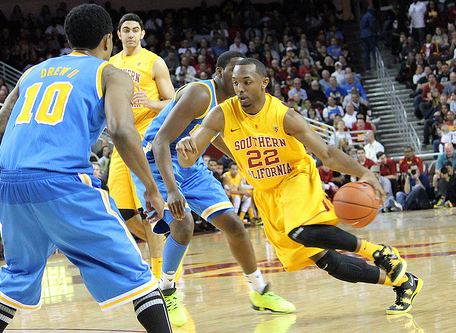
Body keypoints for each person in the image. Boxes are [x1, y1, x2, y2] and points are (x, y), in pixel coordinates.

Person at [0, 5, 171, 333]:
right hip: (61, 183)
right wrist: (150, 186)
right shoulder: (110, 73)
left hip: (11, 188)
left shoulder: (32, 72)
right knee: (140, 277)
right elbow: (121, 130)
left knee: (18, 276)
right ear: (109, 40)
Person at [177, 58, 422, 315]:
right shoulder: (221, 113)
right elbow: (190, 156)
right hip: (267, 194)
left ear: (264, 84)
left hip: (295, 178)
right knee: (330, 262)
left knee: (299, 230)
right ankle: (404, 281)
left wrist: (363, 172)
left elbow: (326, 153)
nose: (239, 89)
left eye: (247, 83)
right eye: (236, 83)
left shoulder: (284, 116)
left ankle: (379, 252)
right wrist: (185, 148)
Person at [131, 51, 294, 327]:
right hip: (157, 162)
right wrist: (171, 191)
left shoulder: (231, 103)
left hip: (190, 164)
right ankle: (166, 292)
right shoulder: (200, 94)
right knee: (183, 225)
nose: (238, 81)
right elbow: (160, 142)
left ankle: (259, 291)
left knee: (234, 225)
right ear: (219, 72)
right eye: (233, 74)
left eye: (244, 77)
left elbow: (216, 134)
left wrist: (246, 165)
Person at [107, 13, 175, 279]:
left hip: (145, 140)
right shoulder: (110, 64)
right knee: (121, 212)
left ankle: (160, 276)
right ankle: (168, 239)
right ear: (118, 35)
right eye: (126, 30)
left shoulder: (154, 63)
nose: (131, 34)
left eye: (136, 30)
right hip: (119, 143)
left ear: (142, 34)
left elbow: (173, 102)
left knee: (150, 209)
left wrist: (149, 103)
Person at [361, 5, 379, 72]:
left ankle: (367, 68)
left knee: (366, 52)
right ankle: (377, 65)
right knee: (374, 51)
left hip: (364, 35)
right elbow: (372, 26)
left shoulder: (364, 16)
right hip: (370, 35)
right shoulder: (371, 16)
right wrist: (376, 31)